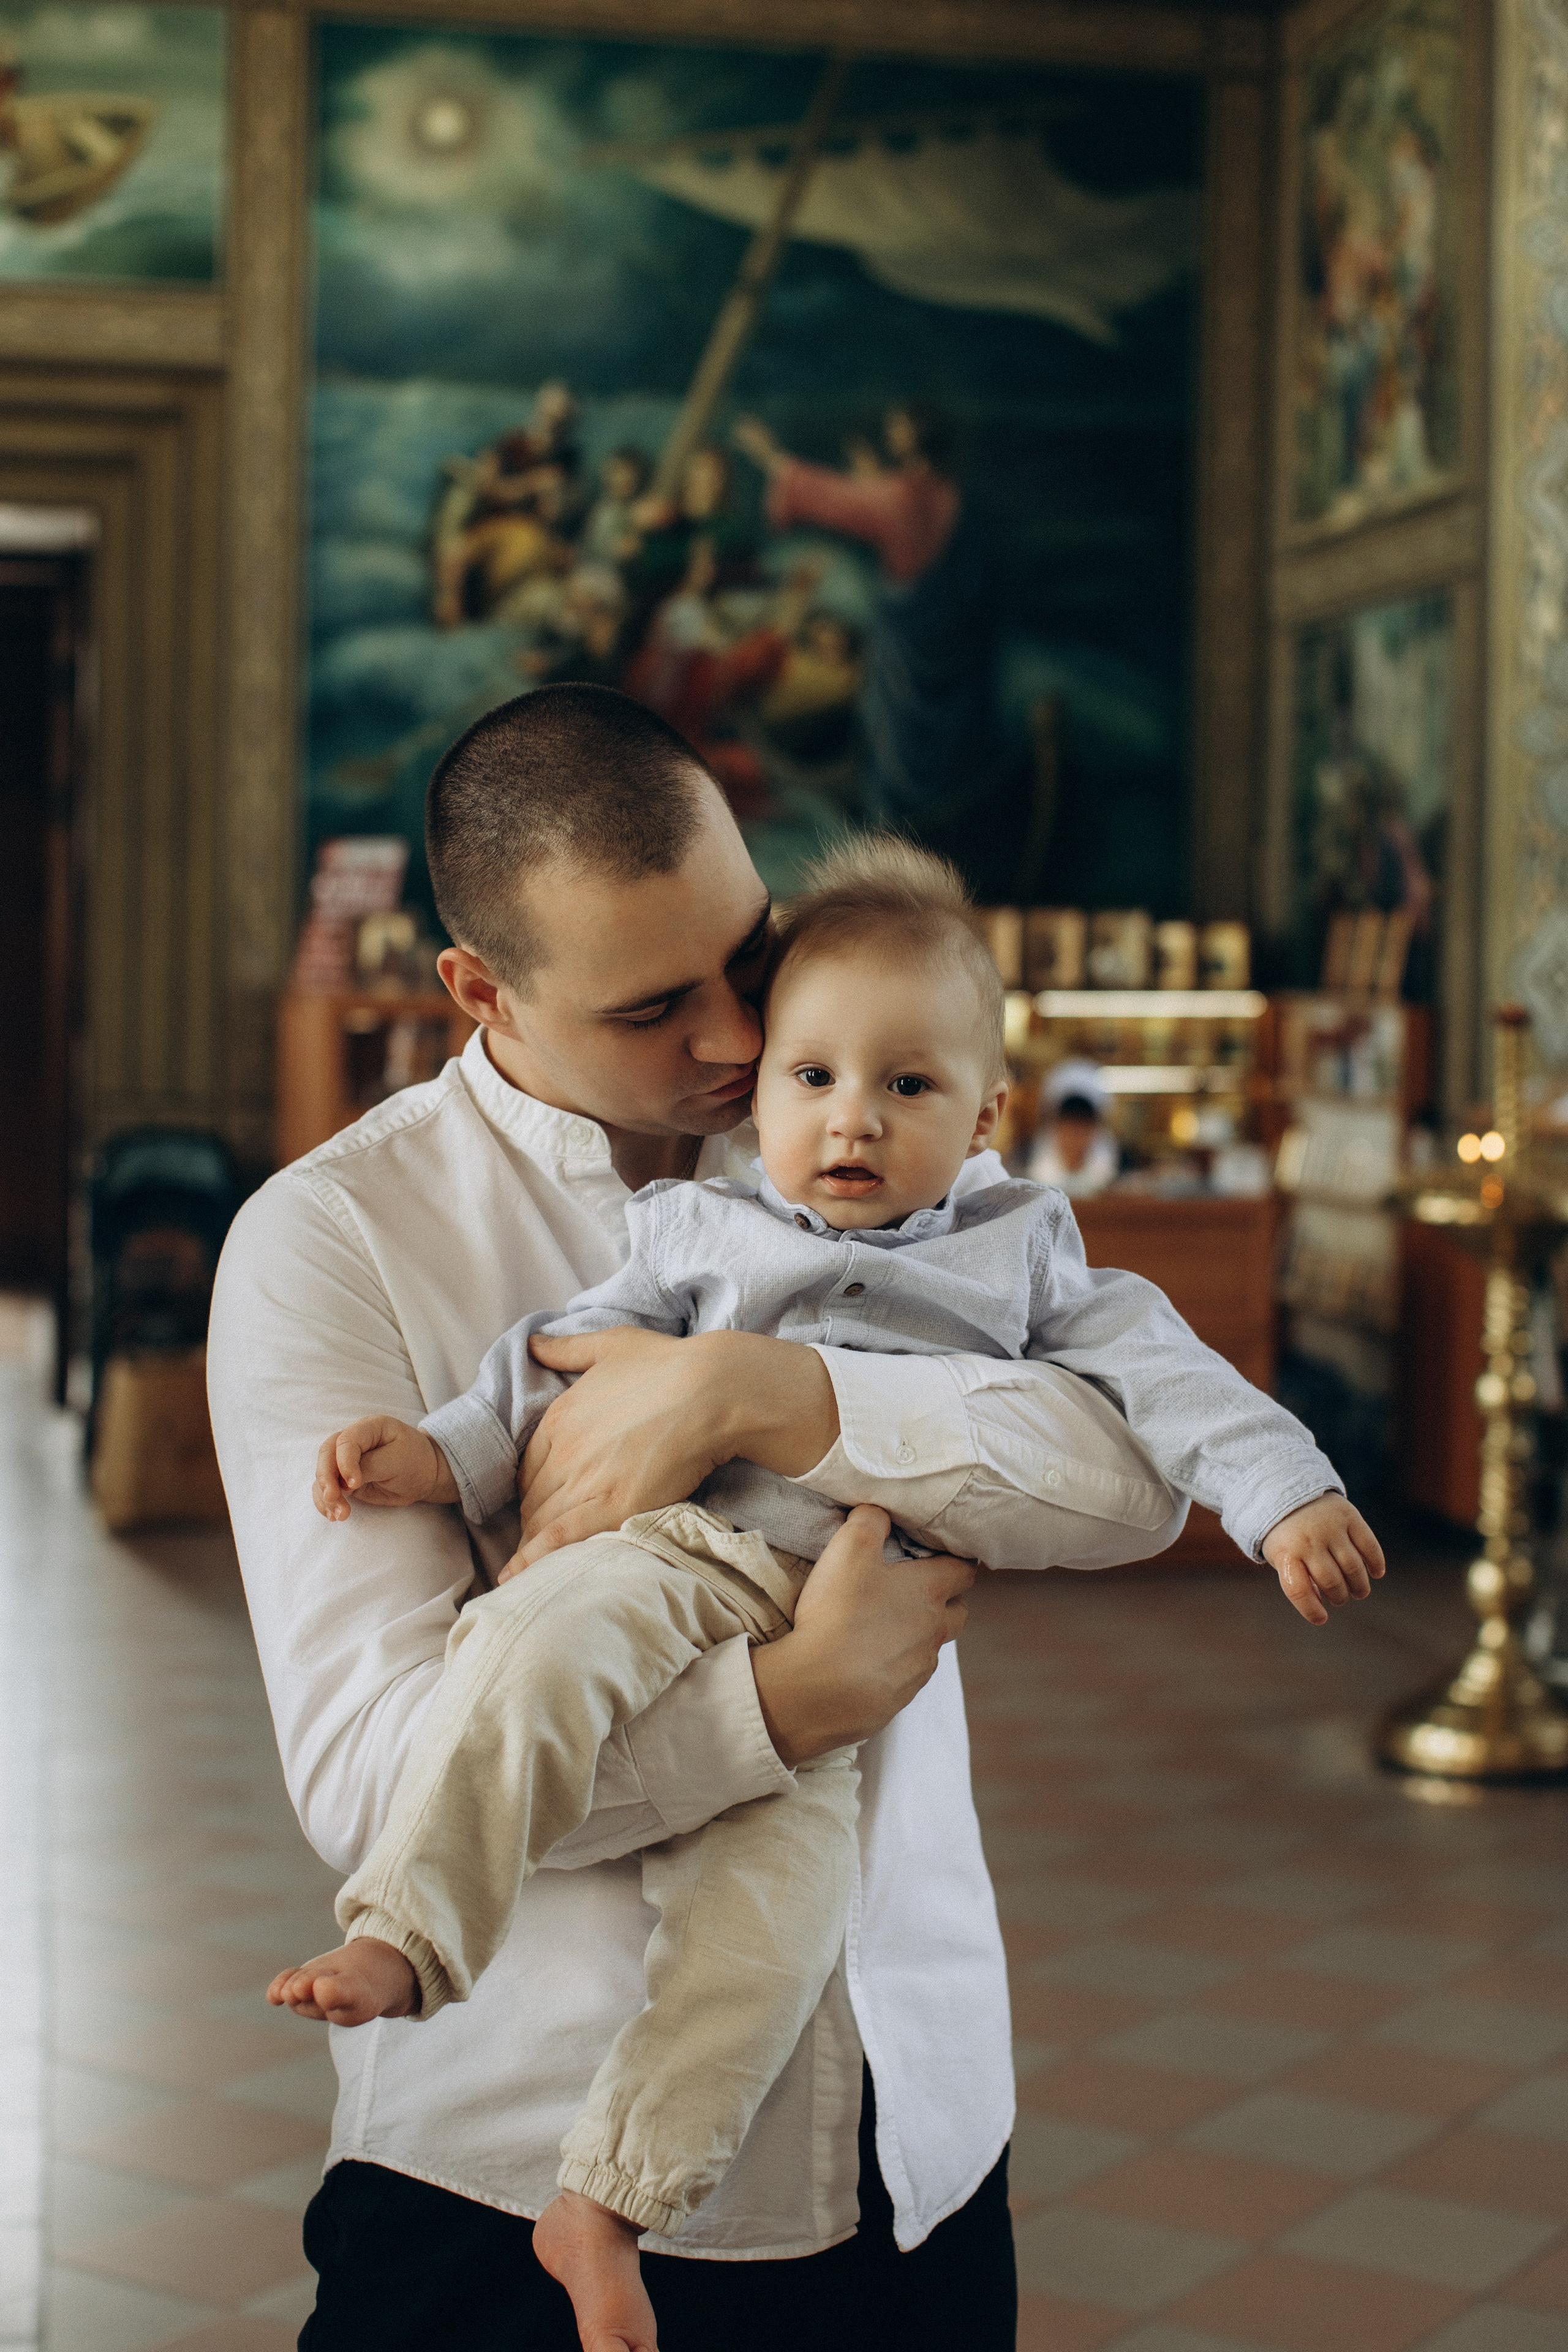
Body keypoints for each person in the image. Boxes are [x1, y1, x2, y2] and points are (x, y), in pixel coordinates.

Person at [208, 685, 1251, 2351]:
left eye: (745, 958)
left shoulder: (892, 1147)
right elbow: (371, 1777)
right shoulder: (330, 1245)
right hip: (504, 2182)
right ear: (482, 989)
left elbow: (1135, 1486)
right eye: (651, 1007)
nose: (736, 1040)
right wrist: (783, 1709)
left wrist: (763, 1397)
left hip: (916, 2133)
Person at [732, 404, 992, 834]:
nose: (891, 431)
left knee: (894, 723)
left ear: (914, 433)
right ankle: (930, 804)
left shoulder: (903, 495)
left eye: (898, 424)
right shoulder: (948, 494)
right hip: (944, 634)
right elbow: (884, 506)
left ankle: (895, 812)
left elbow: (836, 498)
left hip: (907, 637)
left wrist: (771, 456)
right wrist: (872, 482)